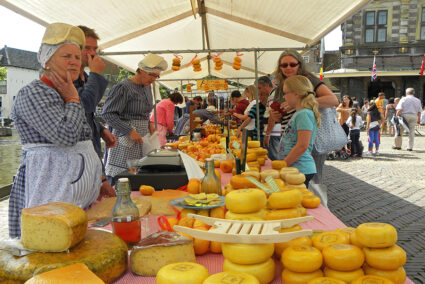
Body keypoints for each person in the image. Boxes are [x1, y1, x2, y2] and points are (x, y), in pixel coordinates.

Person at [8, 23, 102, 238]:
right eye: (66, 56)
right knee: (51, 238)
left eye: (77, 57)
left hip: (74, 191)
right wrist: (72, 99)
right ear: (47, 61)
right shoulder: (33, 93)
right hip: (51, 187)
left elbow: (85, 135)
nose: (74, 62)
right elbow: (66, 136)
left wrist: (102, 180)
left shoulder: (69, 89)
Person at [270, 50, 338, 185]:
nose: (288, 68)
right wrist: (275, 115)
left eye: (292, 64)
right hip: (291, 139)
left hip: (307, 145)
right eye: (284, 65)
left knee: (312, 186)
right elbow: (281, 117)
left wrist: (302, 103)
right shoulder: (282, 85)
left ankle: (318, 205)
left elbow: (333, 99)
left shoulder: (307, 80)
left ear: (299, 65)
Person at [102, 53, 167, 183]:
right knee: (123, 177)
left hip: (142, 136)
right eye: (152, 75)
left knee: (140, 173)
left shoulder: (147, 87)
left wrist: (148, 123)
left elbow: (142, 112)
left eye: (157, 76)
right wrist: (129, 131)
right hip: (124, 138)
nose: (154, 79)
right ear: (141, 71)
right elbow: (108, 113)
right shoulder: (124, 87)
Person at [73, 25, 116, 199]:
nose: (92, 53)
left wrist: (100, 129)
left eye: (94, 49)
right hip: (77, 158)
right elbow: (85, 107)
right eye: (87, 48)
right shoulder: (68, 79)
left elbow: (87, 115)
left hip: (92, 152)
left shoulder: (84, 77)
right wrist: (96, 74)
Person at [278, 75, 321, 187]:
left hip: (300, 170)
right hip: (294, 169)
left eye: (285, 93)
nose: (284, 97)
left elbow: (302, 145)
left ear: (296, 93)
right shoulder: (299, 113)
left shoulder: (304, 114)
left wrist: (284, 164)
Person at [236, 79, 269, 144]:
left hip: (267, 135)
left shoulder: (269, 106)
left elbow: (246, 118)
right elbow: (248, 118)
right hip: (257, 135)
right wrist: (240, 128)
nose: (260, 98)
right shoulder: (256, 106)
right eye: (259, 96)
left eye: (262, 95)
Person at [260, 76, 282, 161]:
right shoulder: (273, 95)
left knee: (274, 159)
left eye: (260, 88)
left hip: (273, 133)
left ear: (266, 85)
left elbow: (272, 116)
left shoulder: (273, 96)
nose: (259, 91)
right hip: (274, 132)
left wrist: (267, 134)